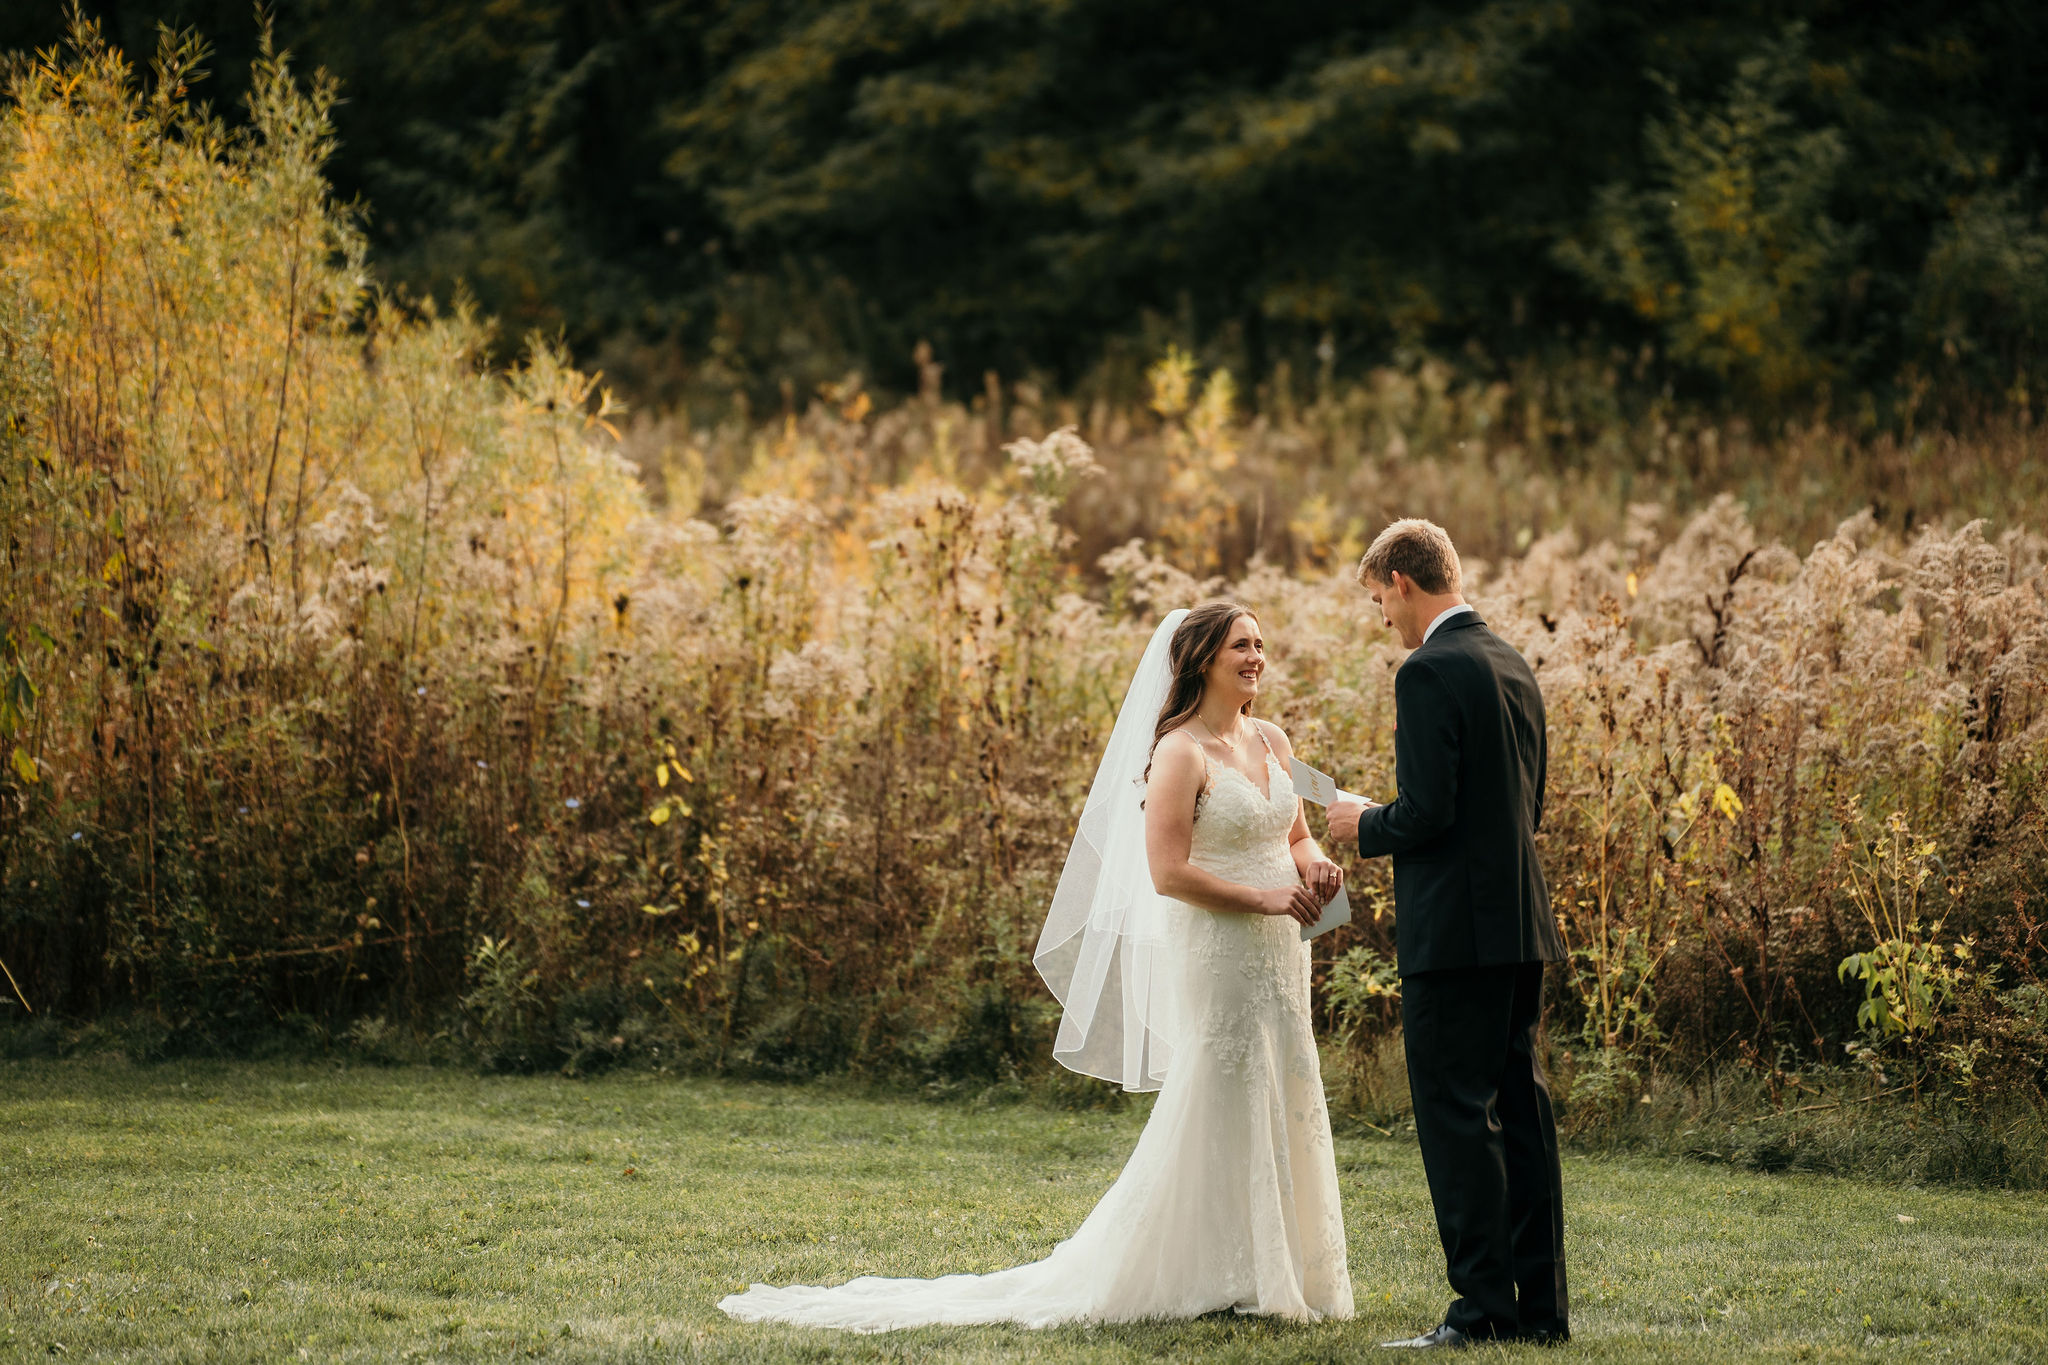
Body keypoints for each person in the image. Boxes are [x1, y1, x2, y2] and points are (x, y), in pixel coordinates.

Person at [718, 601, 1355, 1330]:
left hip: (1280, 949)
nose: (1257, 657)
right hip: (1221, 945)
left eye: (1261, 645)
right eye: (1242, 645)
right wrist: (1266, 896)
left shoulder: (1272, 738)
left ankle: (1276, 1265)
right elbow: (1168, 873)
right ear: (1204, 656)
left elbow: (1298, 832)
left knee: (1286, 1080)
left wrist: (1317, 867)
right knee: (1221, 1087)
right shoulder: (1179, 751)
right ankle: (1193, 1262)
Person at [1326, 518, 1569, 1350]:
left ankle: (1480, 1310)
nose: (1382, 619)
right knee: (1522, 1115)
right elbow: (1520, 808)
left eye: (1377, 601)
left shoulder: (1428, 671)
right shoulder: (1511, 663)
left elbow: (1428, 814)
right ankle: (1539, 1310)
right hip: (1521, 924)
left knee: (1458, 1120)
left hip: (1456, 934)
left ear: (1400, 581)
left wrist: (1364, 823)